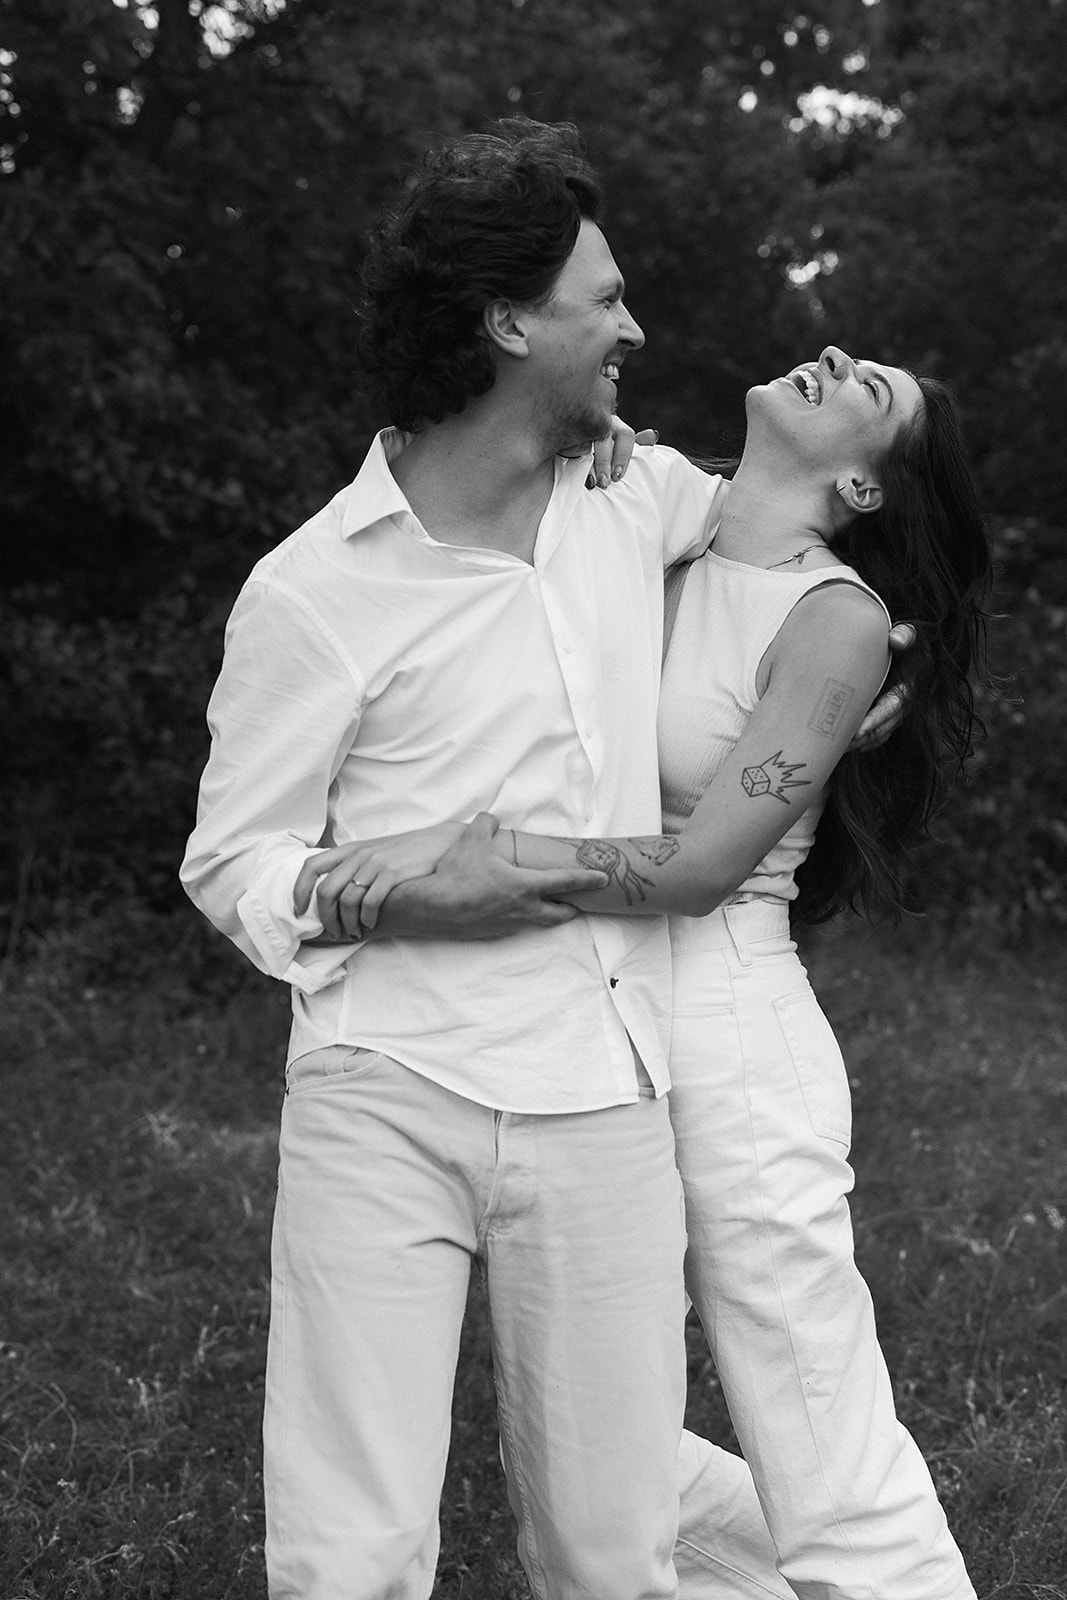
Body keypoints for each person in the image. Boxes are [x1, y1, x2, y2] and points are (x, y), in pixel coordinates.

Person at [182, 115, 805, 1600]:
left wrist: (870, 655)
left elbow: (800, 568)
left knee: (612, 1545)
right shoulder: (314, 587)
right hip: (382, 1088)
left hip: (604, 1088)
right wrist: (400, 893)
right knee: (350, 1550)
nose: (631, 329)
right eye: (601, 300)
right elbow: (233, 859)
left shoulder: (635, 496)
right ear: (506, 321)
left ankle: (840, 1552)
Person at [307, 339, 992, 1600]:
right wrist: (594, 452)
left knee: (807, 1408)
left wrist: (482, 861)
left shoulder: (832, 620)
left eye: (873, 389)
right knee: (590, 1433)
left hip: (732, 1021)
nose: (835, 354)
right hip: (597, 1007)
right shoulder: (644, 515)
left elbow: (696, 871)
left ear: (863, 489)